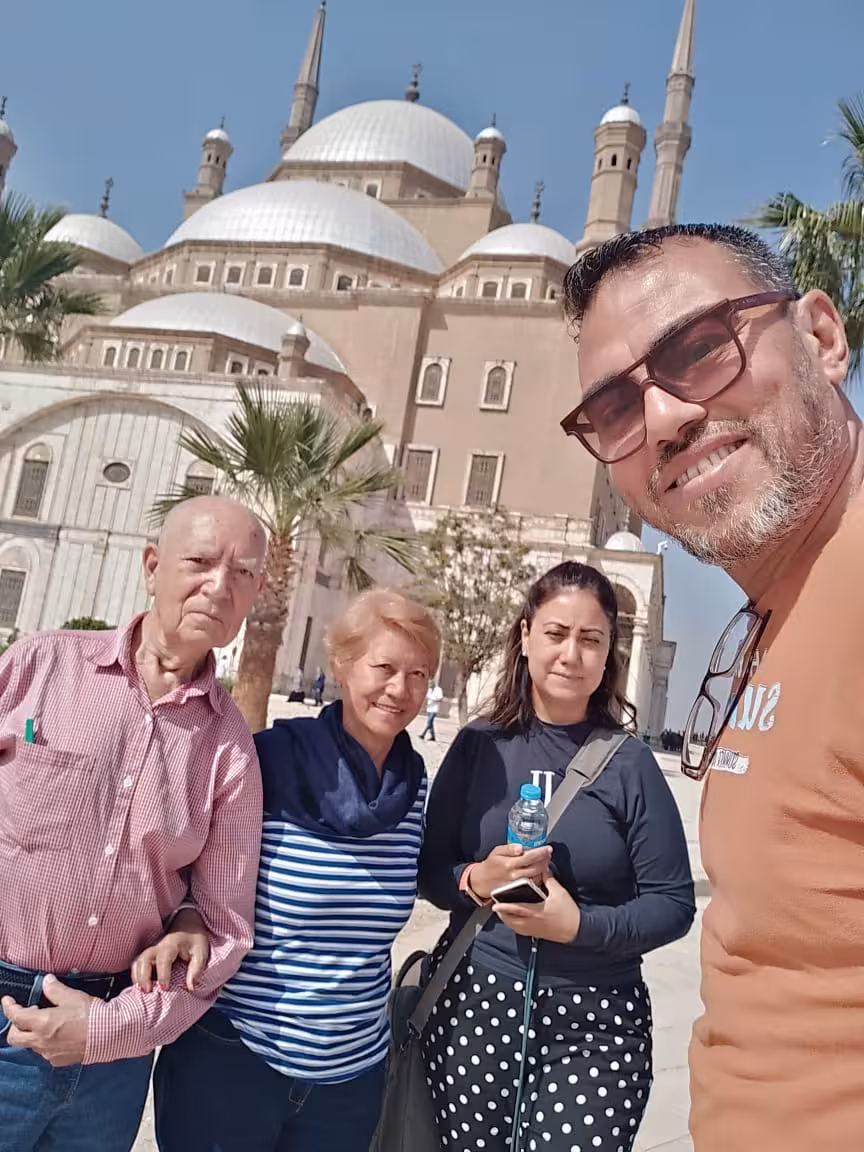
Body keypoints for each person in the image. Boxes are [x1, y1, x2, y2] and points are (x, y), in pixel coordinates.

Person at [561, 223, 863, 1151]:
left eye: (699, 349)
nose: (661, 419)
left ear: (819, 336)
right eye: (613, 408)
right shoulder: (786, 605)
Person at [0, 495, 267, 1152]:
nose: (218, 586)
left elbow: (225, 930)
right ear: (152, 565)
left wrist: (109, 1030)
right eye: (200, 562)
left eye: (242, 573)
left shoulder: (230, 748)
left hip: (112, 1063)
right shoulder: (39, 668)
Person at [151, 589, 442, 1152]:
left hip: (350, 1080)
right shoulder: (265, 762)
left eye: (418, 674)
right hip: (236, 1060)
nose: (400, 690)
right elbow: (188, 865)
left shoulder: (413, 787)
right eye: (383, 667)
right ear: (341, 664)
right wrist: (186, 914)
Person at [418, 561, 695, 1152]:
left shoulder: (630, 766)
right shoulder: (478, 746)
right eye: (556, 633)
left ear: (608, 654)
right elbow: (429, 868)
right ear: (525, 637)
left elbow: (672, 904)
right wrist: (474, 878)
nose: (571, 654)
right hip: (476, 1009)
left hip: (595, 1025)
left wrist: (580, 927)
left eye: (590, 639)